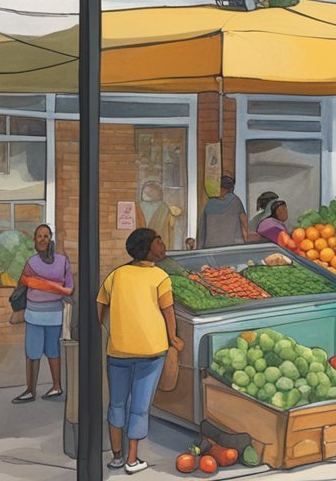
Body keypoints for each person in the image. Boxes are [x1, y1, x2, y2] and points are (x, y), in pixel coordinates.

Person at [97, 228, 184, 474]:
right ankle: (132, 460)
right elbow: (169, 313)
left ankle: (116, 457)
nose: (163, 244)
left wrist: (105, 329)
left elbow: (100, 304)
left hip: (118, 352)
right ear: (147, 246)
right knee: (139, 407)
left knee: (116, 404)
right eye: (159, 240)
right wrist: (174, 339)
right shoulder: (160, 276)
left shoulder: (117, 274)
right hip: (151, 352)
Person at [12, 224, 73, 404]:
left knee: (53, 352)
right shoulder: (32, 262)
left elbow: (69, 289)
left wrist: (39, 283)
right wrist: (55, 287)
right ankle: (30, 390)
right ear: (35, 240)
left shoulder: (62, 261)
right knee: (32, 353)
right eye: (39, 236)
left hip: (54, 315)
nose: (43, 239)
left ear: (50, 238)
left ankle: (56, 386)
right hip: (34, 314)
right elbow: (23, 281)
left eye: (46, 236)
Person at [198, 175, 250, 248]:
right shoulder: (235, 201)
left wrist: (200, 245)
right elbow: (244, 223)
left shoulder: (210, 203)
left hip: (211, 245)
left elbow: (202, 228)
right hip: (232, 245)